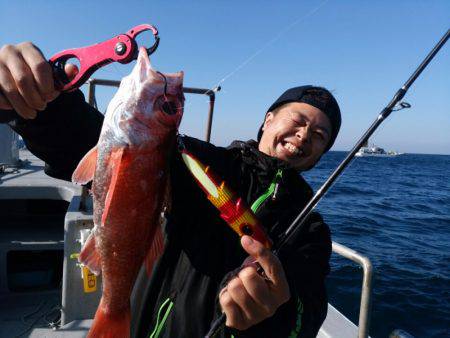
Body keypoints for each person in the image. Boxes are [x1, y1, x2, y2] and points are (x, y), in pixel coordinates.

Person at [0, 42, 341, 338]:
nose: (304, 134)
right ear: (268, 120)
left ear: (322, 153)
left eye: (319, 135)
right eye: (298, 120)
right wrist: (35, 103)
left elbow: (305, 316)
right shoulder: (197, 162)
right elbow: (88, 143)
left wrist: (272, 314)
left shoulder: (311, 230)